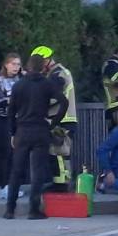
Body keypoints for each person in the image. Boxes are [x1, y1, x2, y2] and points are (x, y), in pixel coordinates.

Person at [4, 54, 68, 220]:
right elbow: (64, 102)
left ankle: (10, 209)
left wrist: (12, 132)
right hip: (40, 129)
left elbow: (11, 112)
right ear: (42, 67)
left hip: (22, 131)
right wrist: (53, 122)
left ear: (28, 66)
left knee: (16, 171)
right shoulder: (47, 84)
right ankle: (33, 210)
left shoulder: (19, 85)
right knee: (37, 172)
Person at [31, 46, 77, 191]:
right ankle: (60, 182)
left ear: (47, 60)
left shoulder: (57, 75)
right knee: (55, 151)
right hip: (61, 119)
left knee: (59, 151)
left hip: (62, 120)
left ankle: (62, 184)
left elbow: (53, 97)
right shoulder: (56, 73)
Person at [0, 53, 24, 199]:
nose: (16, 67)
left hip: (18, 120)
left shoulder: (20, 79)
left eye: (18, 64)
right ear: (6, 64)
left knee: (16, 154)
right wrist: (8, 101)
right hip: (2, 120)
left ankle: (12, 185)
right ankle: (2, 186)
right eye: (13, 64)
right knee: (4, 153)